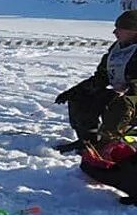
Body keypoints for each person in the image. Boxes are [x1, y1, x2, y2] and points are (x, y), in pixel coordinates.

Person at [54, 10, 137, 151]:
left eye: (120, 29)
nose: (114, 32)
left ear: (133, 31)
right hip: (123, 94)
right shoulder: (117, 48)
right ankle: (87, 141)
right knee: (81, 97)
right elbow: (102, 77)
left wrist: (129, 90)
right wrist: (76, 90)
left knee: (119, 105)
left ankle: (109, 146)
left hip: (131, 97)